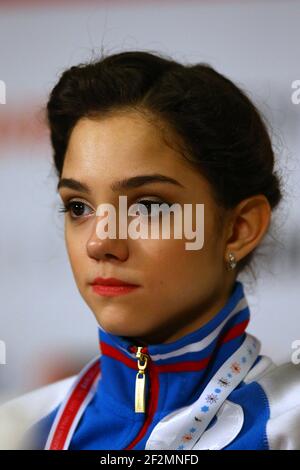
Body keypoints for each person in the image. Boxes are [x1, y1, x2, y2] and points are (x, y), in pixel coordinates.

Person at [0, 50, 299, 450]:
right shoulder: (17, 431)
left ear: (238, 229)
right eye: (79, 207)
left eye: (148, 206)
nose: (100, 242)